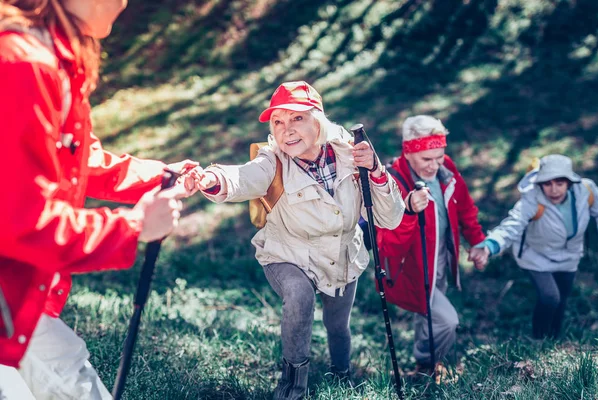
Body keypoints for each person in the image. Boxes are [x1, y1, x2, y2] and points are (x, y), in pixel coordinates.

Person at [0, 1, 198, 399]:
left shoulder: (52, 57)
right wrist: (135, 226)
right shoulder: (26, 65)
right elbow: (25, 222)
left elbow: (76, 158)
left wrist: (158, 177)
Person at [186, 81, 405, 399]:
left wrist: (375, 170)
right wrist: (213, 178)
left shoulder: (349, 152)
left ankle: (341, 375)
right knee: (300, 296)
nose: (286, 130)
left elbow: (390, 218)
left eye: (296, 118)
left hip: (342, 254)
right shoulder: (271, 160)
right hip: (287, 251)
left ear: (318, 119)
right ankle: (292, 386)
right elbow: (246, 177)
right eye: (278, 122)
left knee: (337, 324)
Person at [376, 115, 486, 376]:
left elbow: (465, 207)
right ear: (408, 151)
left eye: (439, 156)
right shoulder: (393, 182)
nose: (435, 165)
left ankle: (423, 363)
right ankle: (433, 363)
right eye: (427, 159)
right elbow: (388, 245)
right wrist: (409, 211)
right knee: (447, 320)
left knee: (428, 316)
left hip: (439, 262)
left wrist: (477, 241)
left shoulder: (446, 168)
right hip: (411, 271)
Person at [469, 154, 598, 339]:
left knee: (562, 299)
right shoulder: (532, 199)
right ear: (540, 183)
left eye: (560, 183)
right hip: (536, 256)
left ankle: (553, 341)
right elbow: (512, 225)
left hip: (569, 256)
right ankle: (538, 340)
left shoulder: (586, 191)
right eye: (548, 184)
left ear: (569, 183)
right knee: (550, 297)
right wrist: (489, 246)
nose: (554, 190)